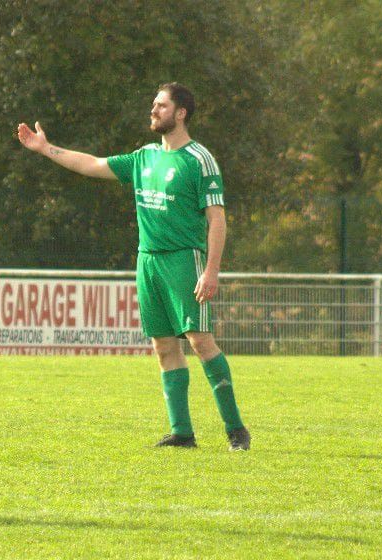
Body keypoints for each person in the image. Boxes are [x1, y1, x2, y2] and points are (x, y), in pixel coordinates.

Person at [17, 83, 250, 451]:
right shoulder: (144, 158)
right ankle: (182, 432)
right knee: (162, 346)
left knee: (201, 341)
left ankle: (235, 429)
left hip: (183, 260)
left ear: (181, 113)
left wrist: (211, 271)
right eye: (154, 105)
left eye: (161, 105)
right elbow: (92, 165)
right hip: (148, 261)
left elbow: (217, 219)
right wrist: (46, 148)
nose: (153, 110)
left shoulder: (199, 159)